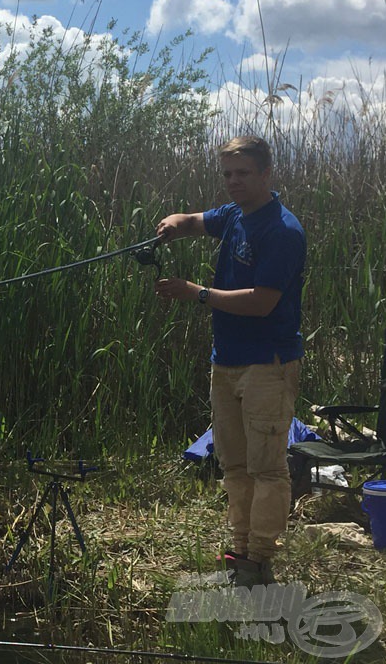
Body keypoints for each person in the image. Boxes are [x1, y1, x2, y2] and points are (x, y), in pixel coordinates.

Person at [154, 135, 305, 588]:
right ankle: (238, 550)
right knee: (233, 465)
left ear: (266, 173)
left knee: (267, 467)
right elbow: (197, 220)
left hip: (269, 363)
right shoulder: (235, 215)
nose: (234, 182)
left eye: (243, 173)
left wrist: (196, 293)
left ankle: (259, 559)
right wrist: (175, 223)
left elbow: (262, 302)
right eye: (227, 174)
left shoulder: (282, 230)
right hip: (228, 361)